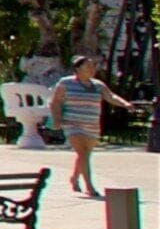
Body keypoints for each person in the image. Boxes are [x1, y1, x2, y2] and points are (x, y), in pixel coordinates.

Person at [53, 55, 131, 198]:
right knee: (82, 153)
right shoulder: (65, 83)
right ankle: (90, 187)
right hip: (72, 123)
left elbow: (111, 96)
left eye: (93, 66)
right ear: (77, 68)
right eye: (88, 66)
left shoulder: (98, 85)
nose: (92, 69)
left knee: (84, 155)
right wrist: (57, 119)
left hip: (91, 124)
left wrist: (125, 104)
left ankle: (74, 178)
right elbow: (56, 102)